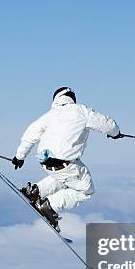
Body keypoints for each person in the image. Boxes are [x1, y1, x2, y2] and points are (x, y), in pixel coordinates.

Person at [11, 86, 122, 231]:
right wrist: (115, 133)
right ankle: (49, 206)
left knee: (66, 178)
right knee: (85, 190)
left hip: (45, 161)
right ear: (72, 98)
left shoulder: (49, 115)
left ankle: (35, 191)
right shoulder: (81, 110)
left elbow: (29, 136)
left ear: (56, 100)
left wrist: (20, 157)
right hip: (65, 162)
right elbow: (107, 124)